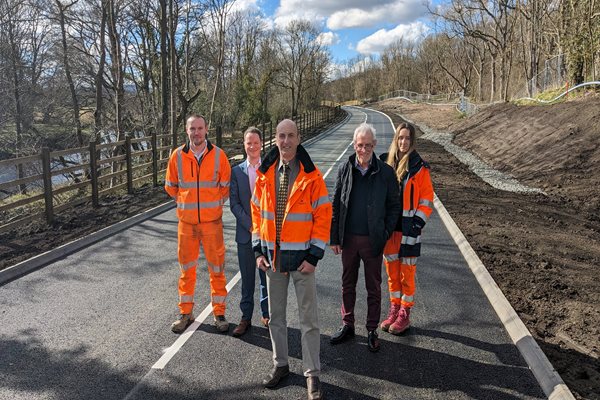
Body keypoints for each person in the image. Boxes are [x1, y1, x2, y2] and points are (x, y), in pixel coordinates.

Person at [251, 119, 331, 400]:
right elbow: (257, 214)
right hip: (273, 260)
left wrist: (314, 256)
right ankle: (280, 365)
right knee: (276, 318)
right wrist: (258, 250)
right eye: (281, 136)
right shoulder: (265, 174)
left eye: (291, 136)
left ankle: (312, 374)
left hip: (302, 262)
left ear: (298, 139)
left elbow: (323, 217)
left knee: (309, 321)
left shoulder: (312, 175)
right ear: (275, 139)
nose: (285, 141)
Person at [329, 123, 401, 352]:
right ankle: (347, 324)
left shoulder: (386, 173)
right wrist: (334, 237)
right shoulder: (344, 169)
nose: (363, 149)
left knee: (374, 287)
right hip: (348, 239)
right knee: (347, 284)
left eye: (368, 145)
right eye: (360, 145)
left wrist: (385, 232)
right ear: (354, 145)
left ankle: (371, 329)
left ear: (375, 145)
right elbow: (336, 204)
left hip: (373, 241)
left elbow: (394, 207)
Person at [164, 114, 232, 334]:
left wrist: (211, 208)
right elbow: (170, 186)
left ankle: (219, 313)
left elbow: (225, 187)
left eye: (200, 128)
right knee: (186, 270)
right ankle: (186, 313)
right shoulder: (177, 156)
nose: (196, 132)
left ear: (206, 129)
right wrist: (186, 204)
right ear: (187, 131)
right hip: (187, 225)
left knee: (217, 269)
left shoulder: (219, 156)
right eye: (192, 129)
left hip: (212, 224)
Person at [380, 122, 434, 335]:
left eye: (407, 139)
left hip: (409, 229)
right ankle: (394, 308)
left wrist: (418, 223)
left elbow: (427, 198)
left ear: (412, 142)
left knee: (407, 273)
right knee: (392, 273)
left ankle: (405, 313)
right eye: (400, 138)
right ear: (396, 139)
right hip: (390, 230)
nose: (403, 142)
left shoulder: (419, 167)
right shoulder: (385, 164)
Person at [230, 127, 269, 337]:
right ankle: (245, 318)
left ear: (261, 144)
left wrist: (262, 227)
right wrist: (251, 225)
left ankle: (267, 315)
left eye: (255, 142)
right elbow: (234, 204)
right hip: (246, 234)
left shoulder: (271, 168)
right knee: (247, 279)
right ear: (244, 145)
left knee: (267, 279)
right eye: (248, 142)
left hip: (267, 235)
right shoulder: (236, 171)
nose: (252, 146)